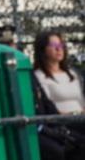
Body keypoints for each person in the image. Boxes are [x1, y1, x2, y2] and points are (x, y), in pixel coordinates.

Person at [33, 31, 85, 160]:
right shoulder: (38, 76)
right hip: (61, 123)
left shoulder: (73, 73)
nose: (59, 49)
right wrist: (72, 115)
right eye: (53, 45)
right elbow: (46, 107)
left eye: (61, 45)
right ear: (42, 49)